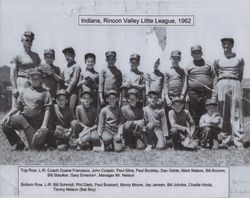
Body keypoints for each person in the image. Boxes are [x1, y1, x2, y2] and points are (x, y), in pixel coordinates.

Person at [1, 68, 51, 150]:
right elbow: (17, 106)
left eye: (37, 78)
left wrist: (44, 125)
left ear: (41, 79)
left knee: (34, 149)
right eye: (33, 78)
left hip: (34, 123)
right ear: (29, 79)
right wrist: (7, 115)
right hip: (22, 119)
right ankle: (19, 143)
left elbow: (48, 109)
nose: (35, 80)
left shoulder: (45, 92)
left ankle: (37, 142)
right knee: (4, 123)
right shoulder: (24, 91)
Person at [213, 37, 245, 148]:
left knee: (236, 111)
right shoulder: (218, 59)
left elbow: (240, 74)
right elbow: (216, 73)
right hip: (222, 83)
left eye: (228, 44)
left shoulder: (239, 59)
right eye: (224, 44)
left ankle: (238, 140)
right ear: (222, 46)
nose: (226, 46)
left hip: (235, 83)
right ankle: (225, 140)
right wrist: (223, 81)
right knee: (223, 112)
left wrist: (235, 83)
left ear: (232, 45)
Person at [187, 45, 217, 125]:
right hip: (193, 93)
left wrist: (214, 93)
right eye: (194, 52)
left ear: (202, 53)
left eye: (198, 52)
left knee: (206, 113)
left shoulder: (209, 64)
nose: (196, 54)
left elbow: (214, 78)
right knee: (194, 114)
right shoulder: (188, 66)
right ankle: (196, 135)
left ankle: (206, 134)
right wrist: (186, 94)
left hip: (206, 94)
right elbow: (185, 81)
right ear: (191, 54)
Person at [10, 31, 41, 102]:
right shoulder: (17, 55)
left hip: (33, 83)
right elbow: (12, 73)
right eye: (27, 40)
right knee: (18, 107)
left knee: (31, 108)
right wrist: (14, 88)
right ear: (22, 41)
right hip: (21, 83)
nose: (29, 42)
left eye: (31, 40)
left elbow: (39, 71)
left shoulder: (36, 56)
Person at [62, 47, 81, 111]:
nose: (68, 57)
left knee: (71, 108)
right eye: (66, 55)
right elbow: (61, 78)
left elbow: (74, 80)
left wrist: (68, 90)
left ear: (74, 55)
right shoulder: (65, 67)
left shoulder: (76, 66)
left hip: (72, 90)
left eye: (70, 54)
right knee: (64, 108)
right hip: (65, 90)